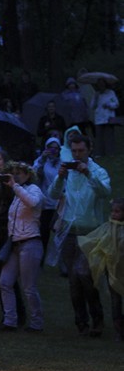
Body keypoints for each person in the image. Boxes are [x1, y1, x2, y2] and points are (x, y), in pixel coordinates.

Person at [47, 134, 111, 337]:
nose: (77, 155)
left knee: (84, 274)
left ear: (89, 149)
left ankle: (97, 317)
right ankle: (81, 322)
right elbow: (53, 194)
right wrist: (60, 177)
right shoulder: (70, 171)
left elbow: (105, 192)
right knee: (74, 279)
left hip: (91, 232)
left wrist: (88, 173)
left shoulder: (98, 171)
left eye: (81, 150)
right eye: (74, 151)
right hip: (69, 231)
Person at [0, 162, 44, 332]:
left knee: (28, 287)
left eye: (19, 173)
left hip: (31, 242)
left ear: (28, 174)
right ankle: (10, 321)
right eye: (13, 173)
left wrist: (15, 186)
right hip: (15, 244)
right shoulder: (17, 194)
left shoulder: (33, 190)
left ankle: (36, 323)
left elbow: (32, 202)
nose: (15, 176)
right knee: (5, 282)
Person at [78, 198, 124, 341]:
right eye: (113, 211)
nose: (114, 214)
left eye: (118, 211)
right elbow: (97, 242)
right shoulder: (107, 227)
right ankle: (119, 331)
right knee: (116, 301)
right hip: (113, 273)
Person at [32, 137, 62, 258]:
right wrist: (42, 160)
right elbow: (34, 176)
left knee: (60, 234)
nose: (53, 151)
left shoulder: (63, 163)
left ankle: (61, 261)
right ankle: (41, 259)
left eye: (56, 148)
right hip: (45, 203)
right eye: (51, 148)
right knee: (43, 233)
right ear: (46, 148)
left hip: (60, 203)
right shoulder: (40, 161)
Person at [90, 78, 119, 157]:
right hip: (99, 118)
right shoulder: (96, 94)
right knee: (99, 137)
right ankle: (99, 153)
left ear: (105, 84)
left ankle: (110, 153)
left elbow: (116, 104)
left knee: (109, 136)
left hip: (108, 118)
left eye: (102, 83)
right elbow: (92, 106)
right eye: (99, 84)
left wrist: (109, 105)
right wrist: (96, 98)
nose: (101, 85)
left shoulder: (110, 93)